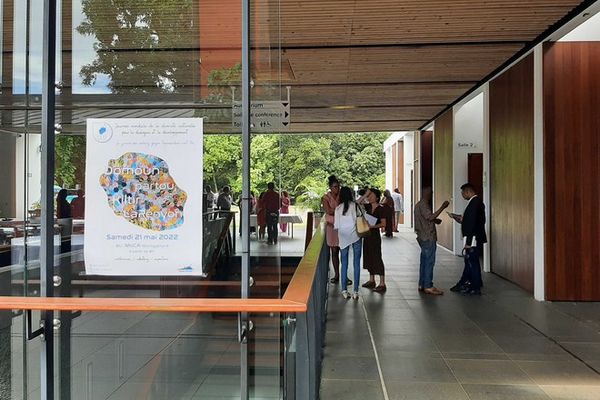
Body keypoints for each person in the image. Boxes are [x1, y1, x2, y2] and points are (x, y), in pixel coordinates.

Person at [449, 183, 487, 295]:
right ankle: (472, 283)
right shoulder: (475, 203)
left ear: (468, 192)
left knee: (472, 262)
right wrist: (457, 217)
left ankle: (474, 287)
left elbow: (472, 223)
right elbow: (467, 220)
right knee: (471, 261)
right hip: (473, 237)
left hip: (473, 238)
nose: (462, 195)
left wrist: (469, 242)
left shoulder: (474, 203)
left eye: (463, 193)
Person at [414, 187, 450, 295]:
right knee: (429, 261)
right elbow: (429, 217)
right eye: (430, 193)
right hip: (428, 237)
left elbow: (427, 218)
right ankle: (428, 285)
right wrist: (442, 207)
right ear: (427, 194)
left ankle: (422, 283)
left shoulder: (418, 205)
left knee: (424, 261)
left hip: (421, 236)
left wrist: (435, 220)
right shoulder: (424, 205)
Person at [334, 186, 362, 300]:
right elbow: (360, 219)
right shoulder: (355, 206)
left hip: (343, 237)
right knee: (356, 263)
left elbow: (336, 225)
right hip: (356, 236)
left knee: (344, 264)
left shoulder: (338, 208)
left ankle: (344, 290)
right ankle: (355, 291)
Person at [359, 188, 386, 292]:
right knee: (369, 256)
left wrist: (372, 226)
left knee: (377, 257)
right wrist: (365, 194)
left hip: (375, 236)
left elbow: (383, 224)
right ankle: (372, 280)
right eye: (369, 195)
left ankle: (382, 283)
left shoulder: (381, 209)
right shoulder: (368, 207)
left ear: (377, 197)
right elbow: (358, 203)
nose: (369, 197)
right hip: (367, 236)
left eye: (371, 195)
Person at [322, 175, 345, 284]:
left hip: (342, 226)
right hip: (332, 227)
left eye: (338, 186)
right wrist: (338, 210)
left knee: (343, 251)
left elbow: (344, 210)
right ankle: (337, 274)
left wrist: (334, 210)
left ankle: (344, 274)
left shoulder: (342, 196)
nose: (337, 189)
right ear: (330, 187)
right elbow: (328, 211)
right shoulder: (326, 197)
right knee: (334, 251)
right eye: (335, 187)